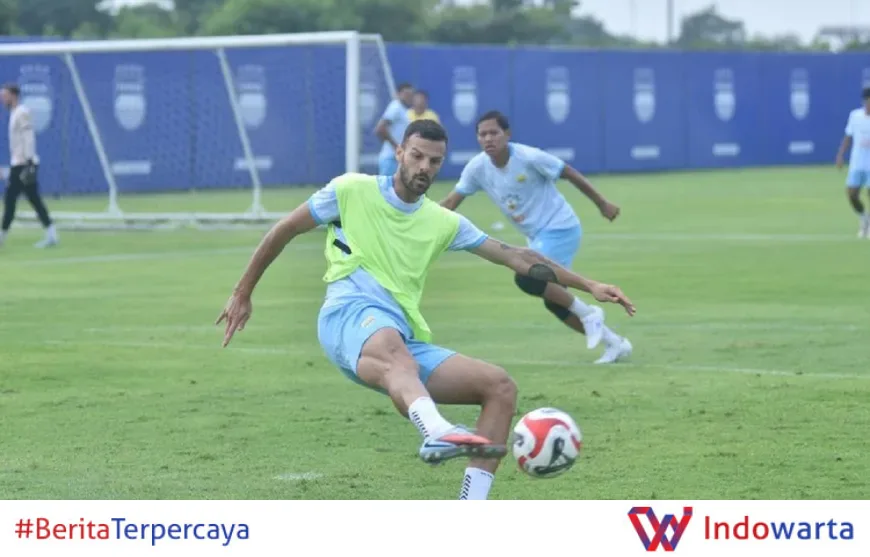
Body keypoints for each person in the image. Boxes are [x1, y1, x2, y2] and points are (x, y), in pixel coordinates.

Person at [216, 119, 635, 500]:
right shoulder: (350, 189)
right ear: (400, 152)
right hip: (348, 316)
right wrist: (242, 292)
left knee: (499, 387)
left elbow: (518, 257)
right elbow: (285, 229)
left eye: (434, 162)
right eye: (416, 156)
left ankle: (470, 507)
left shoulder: (442, 221)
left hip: (399, 338)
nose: (424, 167)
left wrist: (589, 284)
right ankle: (436, 431)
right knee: (394, 350)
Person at [440, 111, 631, 364]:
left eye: (494, 133)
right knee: (554, 301)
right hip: (536, 237)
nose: (488, 139)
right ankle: (615, 343)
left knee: (527, 277)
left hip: (560, 227)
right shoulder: (477, 168)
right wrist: (422, 219)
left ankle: (589, 314)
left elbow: (568, 172)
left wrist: (602, 203)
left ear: (507, 134)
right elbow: (451, 202)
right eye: (482, 134)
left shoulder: (529, 157)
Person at [0, 82, 57, 248]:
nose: (2, 99)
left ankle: (2, 236)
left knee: (10, 200)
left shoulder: (22, 113)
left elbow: (28, 137)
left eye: (5, 96)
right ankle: (51, 234)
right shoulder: (14, 113)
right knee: (34, 199)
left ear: (13, 96)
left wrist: (29, 161)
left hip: (22, 164)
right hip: (20, 163)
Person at [836, 86, 870, 238]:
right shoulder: (855, 116)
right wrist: (840, 155)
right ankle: (864, 218)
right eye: (867, 101)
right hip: (857, 163)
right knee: (852, 194)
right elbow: (848, 136)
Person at [374, 82, 414, 176]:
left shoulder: (404, 110)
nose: (409, 97)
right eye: (406, 94)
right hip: (391, 158)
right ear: (398, 94)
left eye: (411, 95)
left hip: (397, 157)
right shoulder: (395, 107)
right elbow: (380, 129)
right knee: (387, 185)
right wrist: (396, 146)